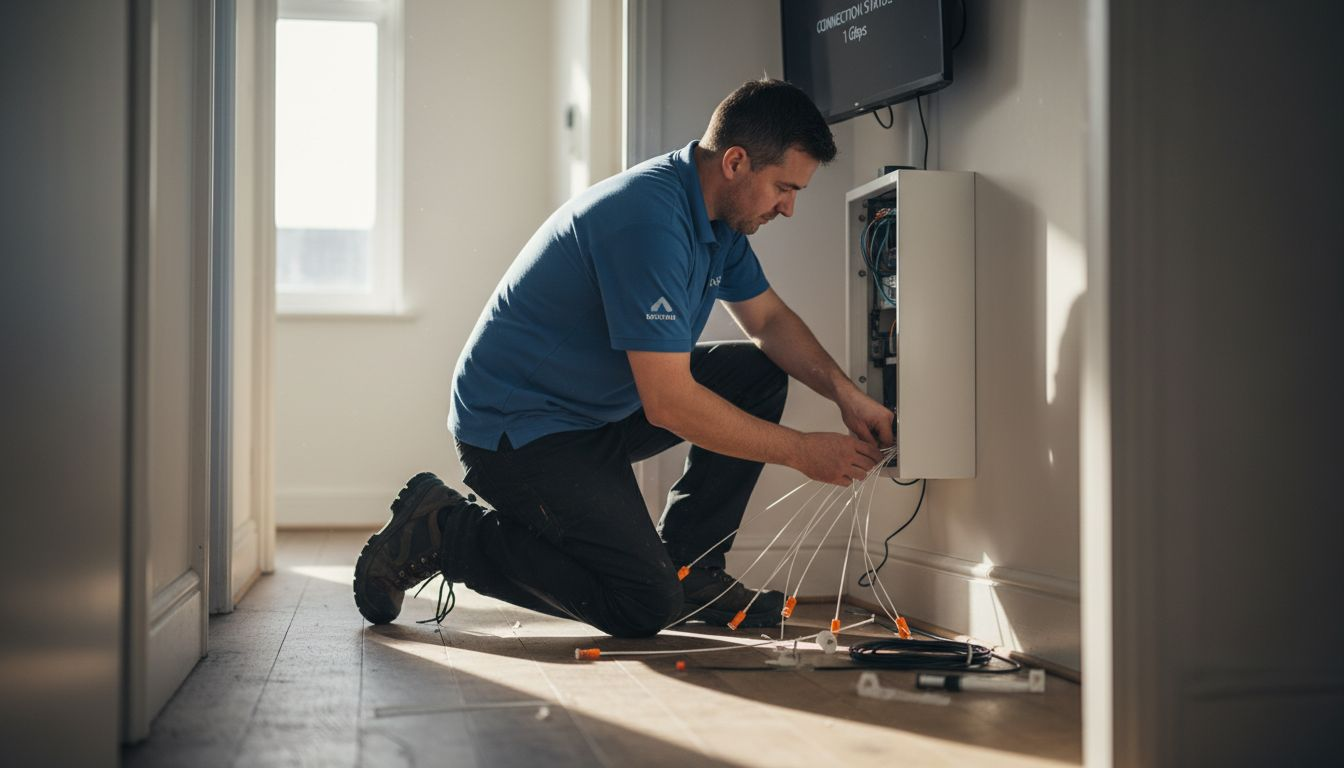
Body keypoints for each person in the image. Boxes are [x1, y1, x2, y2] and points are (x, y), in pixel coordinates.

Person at [353, 79, 894, 637]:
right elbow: (669, 404)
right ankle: (446, 531)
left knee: (756, 374)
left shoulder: (718, 221)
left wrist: (847, 396)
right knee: (643, 605)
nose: (789, 208)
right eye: (784, 188)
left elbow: (769, 322)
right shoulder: (649, 222)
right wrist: (802, 452)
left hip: (595, 412)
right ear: (735, 163)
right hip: (518, 431)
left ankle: (691, 568)